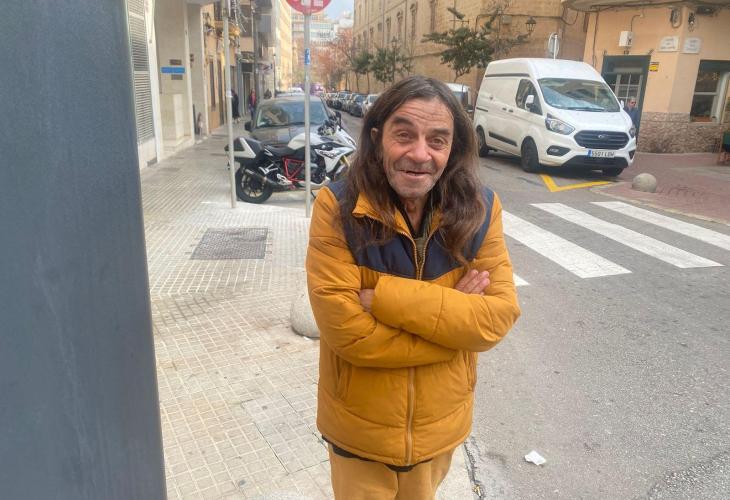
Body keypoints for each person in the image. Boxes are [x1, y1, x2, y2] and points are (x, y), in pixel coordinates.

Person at [306, 76, 521, 499]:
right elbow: (349, 334)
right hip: (359, 435)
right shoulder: (338, 208)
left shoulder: (481, 210)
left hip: (438, 432)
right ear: (376, 138)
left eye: (437, 140)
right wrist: (453, 323)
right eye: (404, 135)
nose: (420, 154)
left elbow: (496, 319)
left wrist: (386, 299)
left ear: (453, 148)